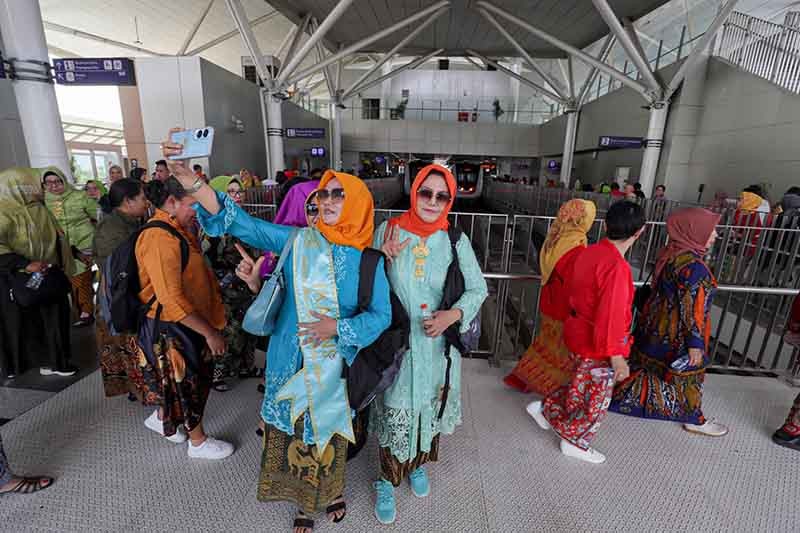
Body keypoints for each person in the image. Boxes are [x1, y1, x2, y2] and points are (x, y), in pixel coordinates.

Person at [164, 126, 392, 531]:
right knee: (293, 434)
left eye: (338, 194)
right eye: (323, 193)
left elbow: (381, 316)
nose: (327, 200)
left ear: (358, 202)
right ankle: (303, 505)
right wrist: (191, 181)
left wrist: (339, 328)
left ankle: (332, 492)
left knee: (329, 434)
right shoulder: (298, 241)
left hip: (335, 369)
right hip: (288, 359)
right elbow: (243, 225)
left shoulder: (370, 261)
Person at [371, 164, 488, 525]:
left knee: (429, 406)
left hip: (437, 349)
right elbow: (364, 281)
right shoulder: (387, 230)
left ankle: (417, 465)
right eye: (426, 192)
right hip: (397, 344)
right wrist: (379, 256)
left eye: (442, 196)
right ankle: (386, 479)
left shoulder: (455, 239)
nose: (433, 201)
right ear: (414, 191)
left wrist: (451, 316)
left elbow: (478, 288)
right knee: (396, 406)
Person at [527, 201, 645, 464]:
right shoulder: (617, 267)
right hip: (597, 342)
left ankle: (545, 409)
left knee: (580, 385)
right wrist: (616, 356)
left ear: (605, 224)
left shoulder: (588, 252)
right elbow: (611, 315)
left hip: (576, 331)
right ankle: (574, 442)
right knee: (596, 397)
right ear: (639, 232)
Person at [134, 178, 233, 459]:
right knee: (188, 382)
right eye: (194, 205)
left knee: (176, 382)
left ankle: (162, 418)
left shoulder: (177, 229)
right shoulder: (159, 237)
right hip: (172, 325)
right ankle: (198, 442)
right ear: (171, 202)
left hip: (183, 320)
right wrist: (210, 333)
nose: (198, 212)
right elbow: (171, 299)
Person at [610, 207, 728, 436]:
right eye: (711, 230)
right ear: (695, 231)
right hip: (677, 333)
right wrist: (695, 343)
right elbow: (693, 308)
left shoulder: (671, 253)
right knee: (689, 377)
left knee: (644, 369)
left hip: (654, 325)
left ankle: (614, 399)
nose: (715, 235)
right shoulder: (695, 268)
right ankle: (694, 419)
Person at [504, 199, 597, 396]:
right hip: (564, 306)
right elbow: (575, 283)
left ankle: (523, 379)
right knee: (559, 353)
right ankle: (551, 390)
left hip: (549, 300)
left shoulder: (555, 238)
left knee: (545, 345)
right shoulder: (577, 248)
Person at [0, 167, 77, 379]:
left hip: (46, 273)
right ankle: (17, 365)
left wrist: (70, 257)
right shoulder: (4, 212)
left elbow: (57, 237)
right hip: (15, 278)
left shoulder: (38, 208)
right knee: (20, 324)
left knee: (55, 316)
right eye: (35, 184)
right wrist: (24, 264)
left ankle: (57, 361)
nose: (41, 188)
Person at [93, 178, 149, 398]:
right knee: (126, 343)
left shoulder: (130, 222)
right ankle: (137, 389)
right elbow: (116, 269)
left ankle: (139, 388)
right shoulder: (112, 229)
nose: (146, 202)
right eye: (142, 198)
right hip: (117, 297)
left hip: (126, 293)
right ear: (128, 201)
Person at [204, 176, 258, 391]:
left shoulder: (248, 219)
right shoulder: (214, 225)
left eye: (239, 191)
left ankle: (247, 366)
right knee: (228, 330)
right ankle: (219, 373)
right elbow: (206, 257)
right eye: (230, 192)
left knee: (249, 327)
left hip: (247, 283)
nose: (236, 196)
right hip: (225, 287)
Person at [43, 169, 98, 328]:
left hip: (83, 244)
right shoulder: (43, 202)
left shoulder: (80, 196)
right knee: (70, 281)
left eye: (57, 181)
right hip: (59, 247)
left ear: (64, 181)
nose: (54, 186)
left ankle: (86, 312)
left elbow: (97, 214)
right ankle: (80, 310)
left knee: (81, 277)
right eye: (49, 183)